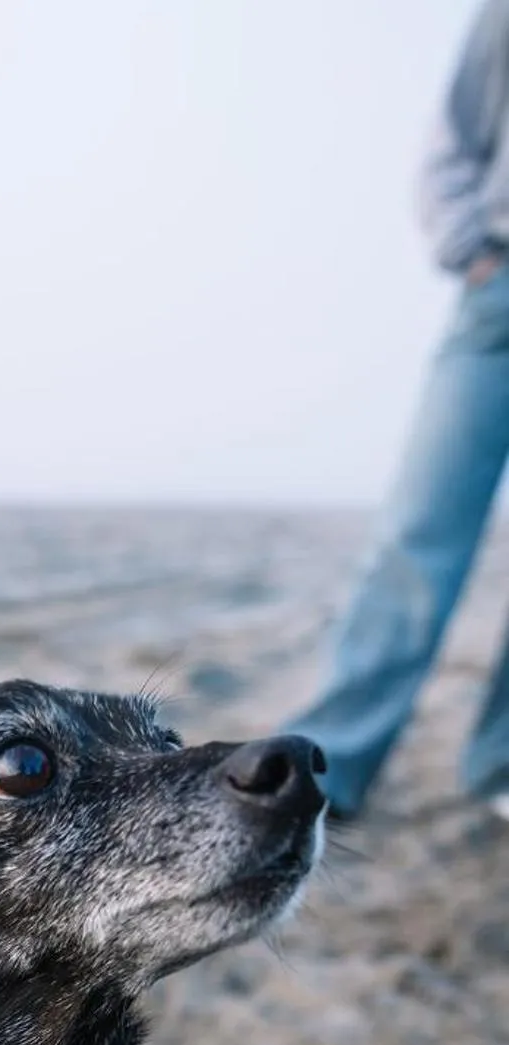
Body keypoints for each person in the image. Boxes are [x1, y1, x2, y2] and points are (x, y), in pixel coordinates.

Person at [279, 0, 509, 822]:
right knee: (419, 530)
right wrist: (472, 253)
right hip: (500, 292)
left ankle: (501, 765)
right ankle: (330, 763)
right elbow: (454, 138)